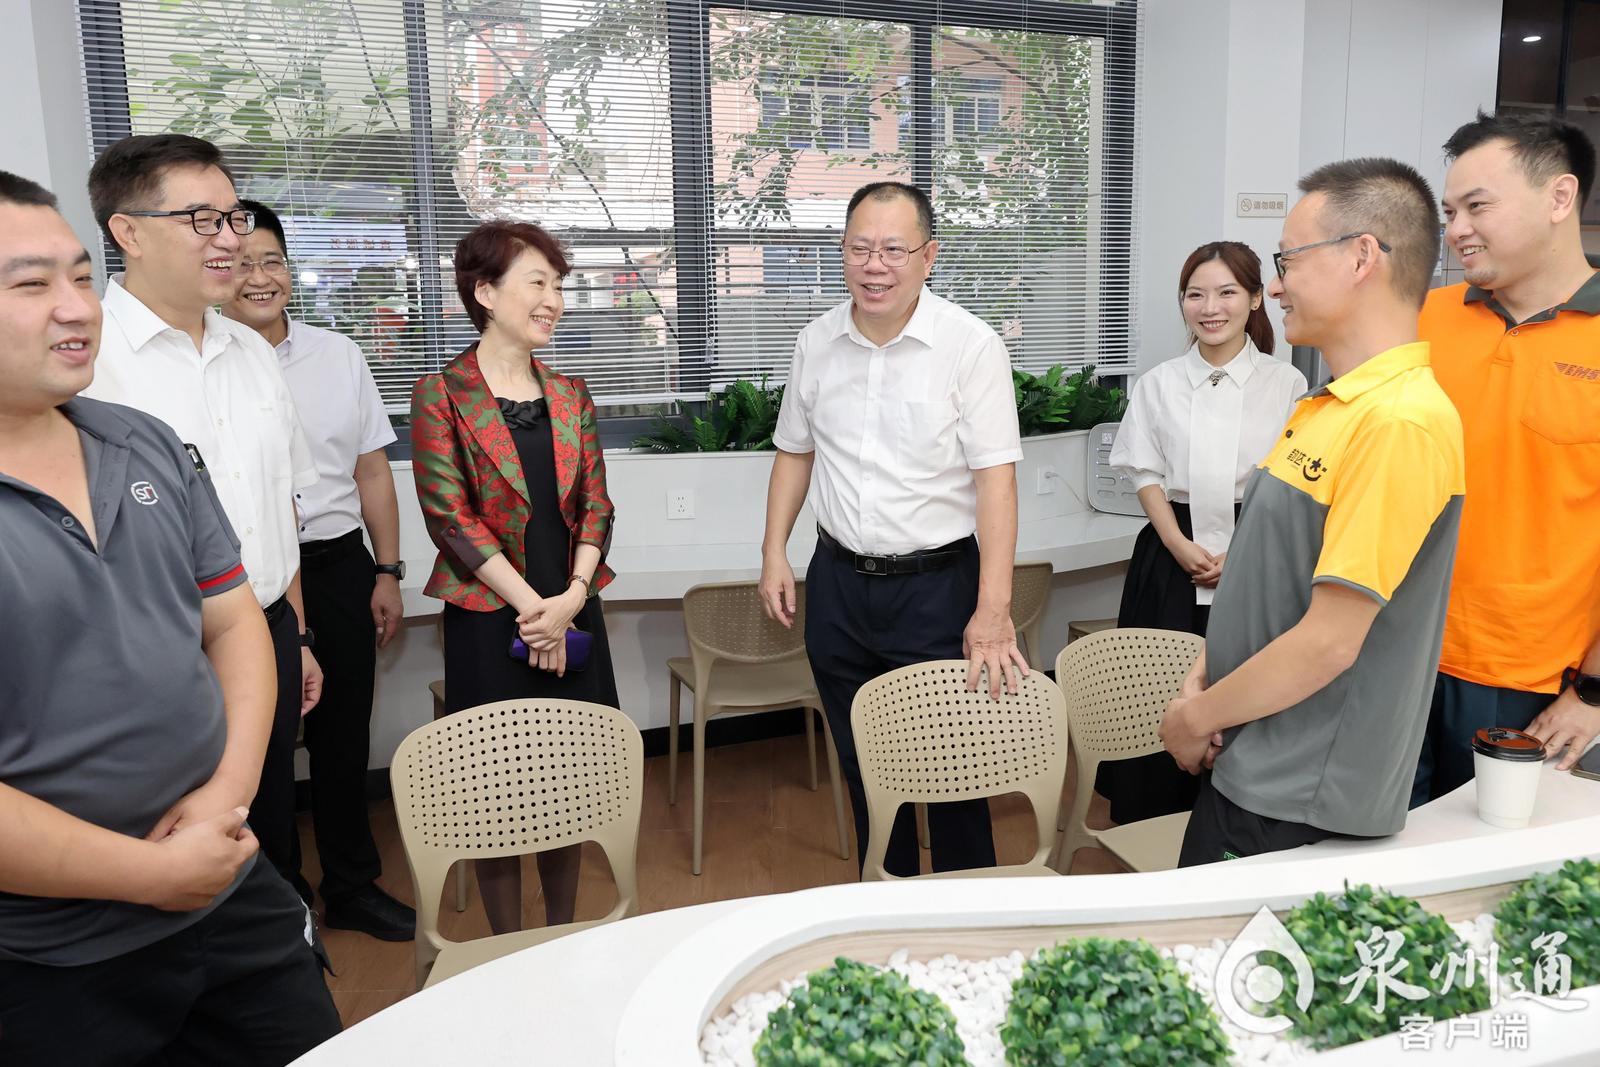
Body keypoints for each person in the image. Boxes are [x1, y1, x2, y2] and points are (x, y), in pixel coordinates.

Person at [0, 170, 340, 1067]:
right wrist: (152, 872)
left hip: (229, 886)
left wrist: (222, 806)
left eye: (80, 278)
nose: (75, 307)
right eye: (31, 285)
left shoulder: (140, 440)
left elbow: (233, 621)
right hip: (52, 952)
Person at [1160, 158, 1466, 865]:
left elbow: (1330, 641)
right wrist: (1205, 676)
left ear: (1361, 257)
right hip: (1250, 754)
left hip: (1301, 790)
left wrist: (1194, 717)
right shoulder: (1326, 404)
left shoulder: (1400, 423)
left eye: (1288, 260)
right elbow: (1266, 575)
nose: (1274, 286)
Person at [759, 181, 1029, 879]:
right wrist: (773, 552)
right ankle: (888, 909)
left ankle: (968, 920)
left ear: (928, 256)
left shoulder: (969, 346)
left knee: (954, 774)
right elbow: (795, 452)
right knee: (866, 772)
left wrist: (992, 610)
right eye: (859, 248)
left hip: (938, 590)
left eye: (892, 250)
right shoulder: (817, 343)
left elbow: (996, 483)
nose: (873, 265)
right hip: (839, 586)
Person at [81, 134, 322, 900]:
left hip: (268, 634)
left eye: (234, 217)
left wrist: (298, 635)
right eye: (202, 220)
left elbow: (281, 508)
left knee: (271, 838)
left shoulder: (252, 352)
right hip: (157, 658)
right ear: (128, 231)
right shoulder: (86, 363)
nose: (231, 239)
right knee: (178, 858)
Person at [410, 220, 618, 935]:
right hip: (491, 616)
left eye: (557, 285)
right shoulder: (441, 394)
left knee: (568, 783)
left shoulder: (570, 394)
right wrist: (537, 611)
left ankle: (560, 933)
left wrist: (571, 599)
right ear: (486, 292)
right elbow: (450, 516)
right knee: (494, 791)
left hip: (571, 606)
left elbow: (596, 505)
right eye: (538, 282)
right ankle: (507, 947)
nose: (553, 299)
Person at [220, 200, 416, 941]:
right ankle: (281, 904)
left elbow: (371, 470)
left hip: (338, 565)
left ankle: (352, 885)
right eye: (242, 263)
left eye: (272, 260)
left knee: (342, 734)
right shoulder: (209, 362)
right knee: (261, 744)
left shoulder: (338, 355)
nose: (259, 277)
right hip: (248, 580)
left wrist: (387, 570)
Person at [1409, 111, 1600, 805]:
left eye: (1477, 206)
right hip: (1396, 650)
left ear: (1559, 197)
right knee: (1371, 850)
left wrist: (1593, 692)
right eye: (1449, 211)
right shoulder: (1423, 319)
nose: (1456, 229)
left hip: (1531, 684)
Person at [1097, 242, 1307, 826]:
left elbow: (1289, 482)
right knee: (1158, 684)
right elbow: (1144, 473)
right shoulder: (1158, 383)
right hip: (1171, 549)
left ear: (1256, 298)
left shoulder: (1286, 383)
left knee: (1246, 681)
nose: (1210, 308)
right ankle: (1149, 819)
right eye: (1196, 295)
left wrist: (1240, 553)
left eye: (1226, 293)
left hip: (1258, 547)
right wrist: (1176, 543)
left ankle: (1236, 823)